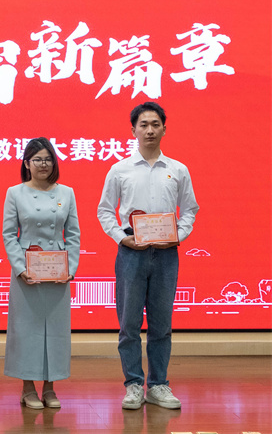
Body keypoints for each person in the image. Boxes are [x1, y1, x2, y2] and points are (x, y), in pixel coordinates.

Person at [97, 102, 198, 410]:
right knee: (129, 324)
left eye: (155, 124)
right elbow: (104, 211)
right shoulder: (120, 169)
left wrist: (178, 236)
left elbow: (190, 210)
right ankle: (133, 384)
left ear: (164, 129)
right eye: (144, 125)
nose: (150, 130)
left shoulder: (178, 170)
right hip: (132, 251)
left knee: (161, 323)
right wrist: (122, 238)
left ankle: (158, 385)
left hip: (166, 253)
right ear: (133, 130)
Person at [2, 137, 80, 410]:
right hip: (27, 270)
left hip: (57, 270)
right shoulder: (15, 193)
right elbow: (9, 235)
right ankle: (27, 388)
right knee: (26, 329)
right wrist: (20, 268)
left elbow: (73, 235)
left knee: (55, 330)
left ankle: (50, 387)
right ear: (27, 163)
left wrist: (70, 268)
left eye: (48, 159)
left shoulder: (66, 193)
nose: (43, 164)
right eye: (37, 159)